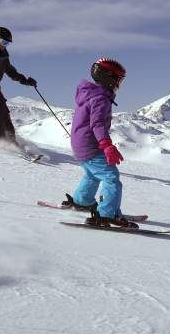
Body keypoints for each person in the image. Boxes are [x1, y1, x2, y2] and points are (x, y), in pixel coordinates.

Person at [61, 58, 138, 228]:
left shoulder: (89, 94)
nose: (119, 84)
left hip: (80, 145)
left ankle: (83, 201)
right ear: (108, 78)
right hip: (91, 145)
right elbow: (97, 124)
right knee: (111, 177)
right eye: (118, 79)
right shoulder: (100, 98)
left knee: (92, 174)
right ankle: (107, 214)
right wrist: (107, 145)